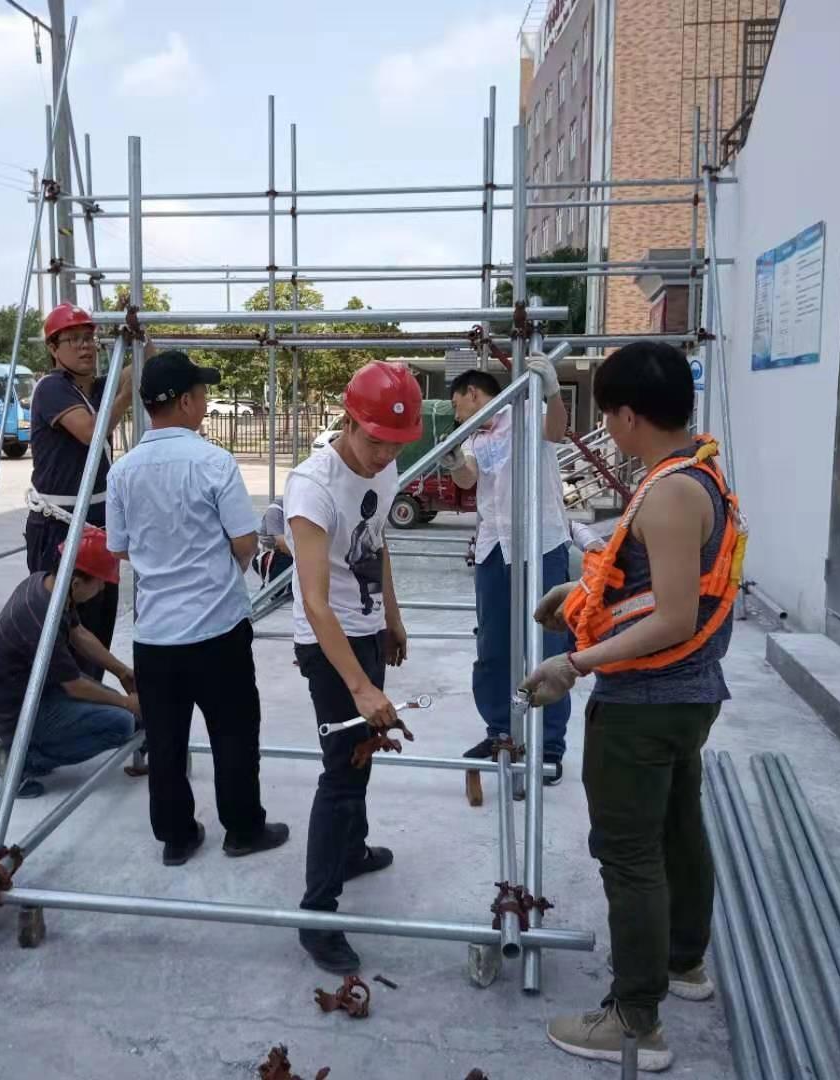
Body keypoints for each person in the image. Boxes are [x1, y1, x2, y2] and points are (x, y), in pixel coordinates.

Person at [522, 342, 745, 1072]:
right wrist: (581, 598)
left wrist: (573, 663)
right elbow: (657, 586)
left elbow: (674, 619)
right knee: (677, 829)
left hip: (647, 704)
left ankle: (633, 1022)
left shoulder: (672, 492)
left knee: (630, 854)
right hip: (682, 698)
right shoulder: (694, 474)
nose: (607, 428)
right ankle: (682, 962)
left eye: (608, 414)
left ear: (626, 415)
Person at [106, 350, 288, 866]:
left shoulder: (123, 471)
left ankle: (176, 837)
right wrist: (214, 567)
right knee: (234, 733)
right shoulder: (214, 462)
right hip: (216, 628)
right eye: (203, 393)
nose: (206, 402)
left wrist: (161, 560)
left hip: (155, 635)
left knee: (165, 741)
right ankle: (243, 830)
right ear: (185, 401)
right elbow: (245, 541)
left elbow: (119, 548)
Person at [285, 360, 419, 974]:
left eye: (396, 446)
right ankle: (318, 915)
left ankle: (353, 850)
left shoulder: (384, 469)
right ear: (349, 421)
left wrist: (392, 616)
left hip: (366, 631)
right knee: (340, 773)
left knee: (364, 751)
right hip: (327, 644)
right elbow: (314, 602)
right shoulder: (312, 487)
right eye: (374, 442)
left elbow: (377, 542)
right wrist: (359, 685)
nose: (383, 457)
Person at [445, 363, 573, 782]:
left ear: (474, 393)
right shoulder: (475, 435)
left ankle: (548, 745)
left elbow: (557, 431)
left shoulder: (526, 413)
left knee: (548, 647)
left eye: (457, 403)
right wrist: (453, 460)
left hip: (541, 543)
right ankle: (500, 731)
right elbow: (468, 479)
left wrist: (552, 391)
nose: (457, 413)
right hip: (493, 547)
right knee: (493, 646)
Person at [0, 527, 142, 799]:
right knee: (121, 723)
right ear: (76, 584)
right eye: (99, 583)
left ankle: (25, 744)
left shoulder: (45, 584)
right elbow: (74, 685)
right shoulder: (42, 617)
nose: (102, 589)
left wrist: (121, 671)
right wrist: (125, 703)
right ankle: (22, 760)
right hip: (13, 712)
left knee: (119, 710)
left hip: (31, 692)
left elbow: (78, 633)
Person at [25, 303, 138, 677]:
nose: (85, 346)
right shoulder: (52, 389)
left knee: (99, 622)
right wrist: (123, 397)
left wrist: (138, 335)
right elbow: (91, 432)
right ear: (53, 348)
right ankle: (62, 698)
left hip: (97, 524)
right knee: (65, 628)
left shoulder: (98, 388)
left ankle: (92, 693)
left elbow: (144, 367)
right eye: (73, 340)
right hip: (59, 526)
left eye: (89, 338)